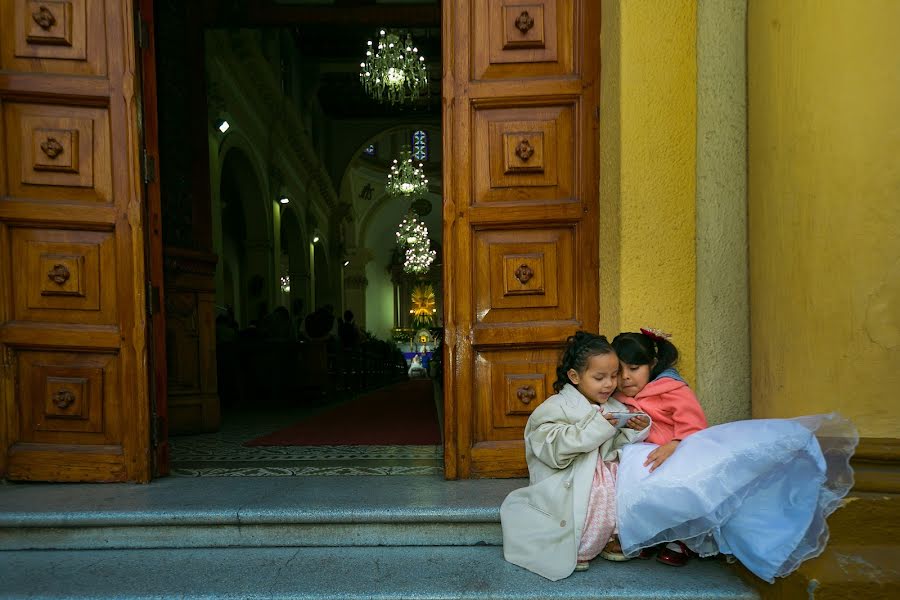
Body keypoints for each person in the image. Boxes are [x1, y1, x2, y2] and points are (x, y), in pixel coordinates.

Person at [611, 327, 858, 583]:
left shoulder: (671, 390)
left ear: (652, 364)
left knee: (682, 490)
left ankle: (683, 539)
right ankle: (651, 534)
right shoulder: (618, 398)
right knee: (638, 483)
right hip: (647, 455)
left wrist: (675, 444)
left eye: (634, 368)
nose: (626, 378)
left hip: (682, 451)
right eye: (619, 371)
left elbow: (694, 425)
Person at [500, 331, 651, 581]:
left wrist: (633, 428)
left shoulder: (614, 407)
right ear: (575, 376)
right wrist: (597, 427)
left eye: (614, 376)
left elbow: (614, 447)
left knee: (626, 477)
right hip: (568, 480)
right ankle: (579, 542)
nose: (609, 384)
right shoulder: (553, 408)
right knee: (591, 495)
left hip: (603, 474)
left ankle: (609, 536)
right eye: (599, 377)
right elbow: (554, 449)